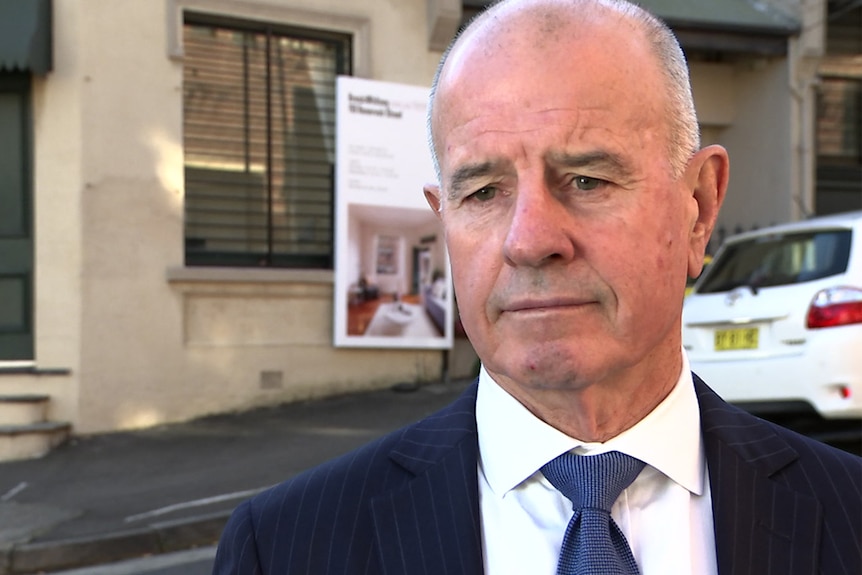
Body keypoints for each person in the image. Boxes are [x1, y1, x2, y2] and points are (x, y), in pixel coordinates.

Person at [212, 0, 862, 573]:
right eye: (484, 191)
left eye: (586, 179)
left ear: (698, 204)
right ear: (444, 219)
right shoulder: (286, 546)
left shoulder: (847, 516)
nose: (528, 239)